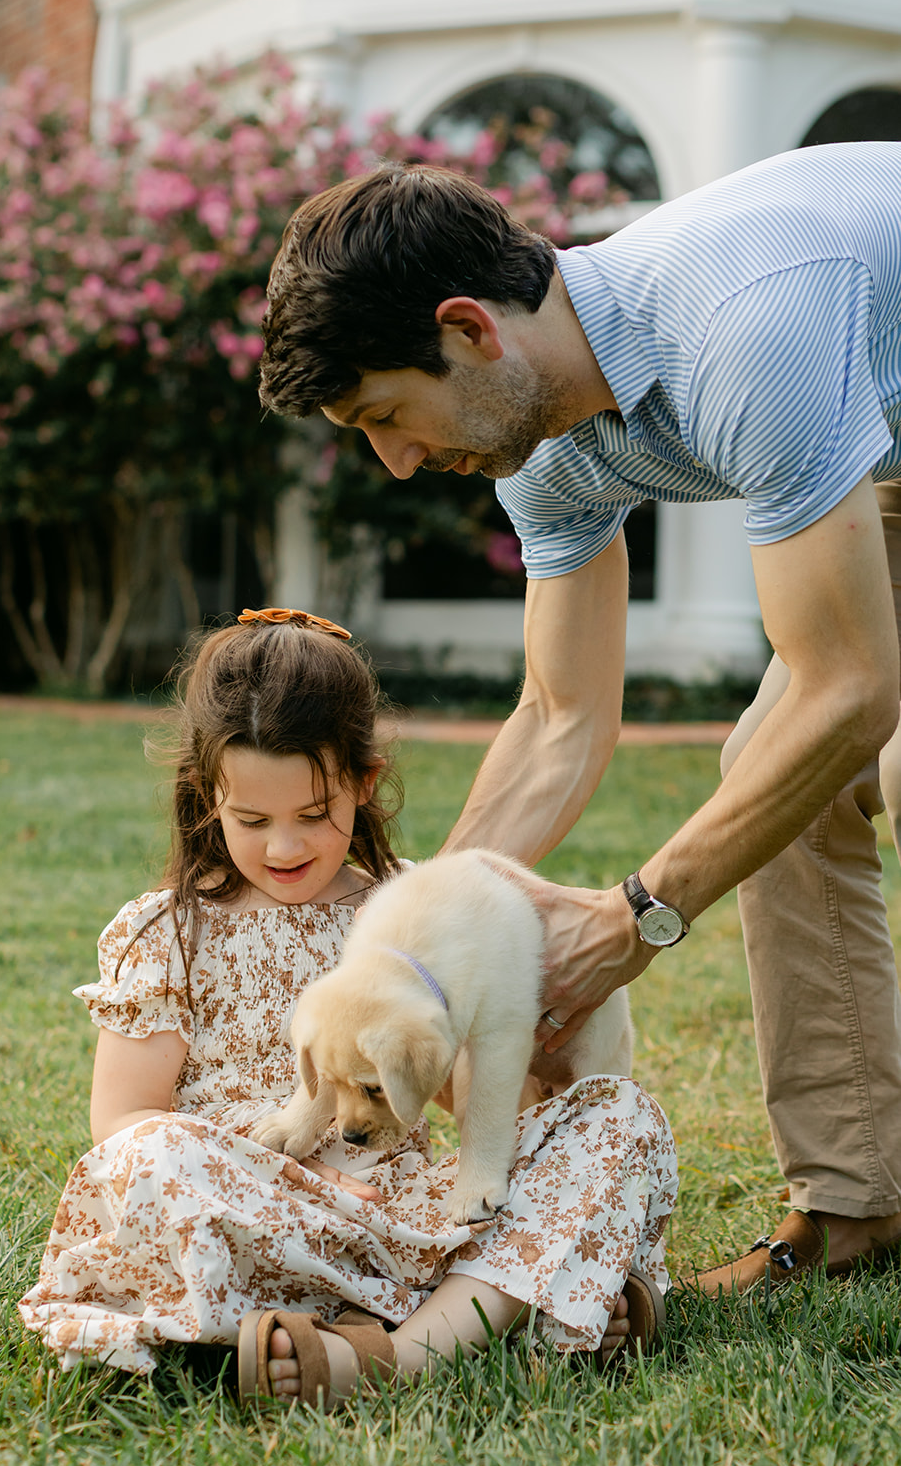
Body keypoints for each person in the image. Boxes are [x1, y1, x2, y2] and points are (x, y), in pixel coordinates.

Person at [258, 144, 901, 1293]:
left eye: (386, 415)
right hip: (885, 426)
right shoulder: (542, 449)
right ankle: (856, 1207)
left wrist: (632, 916)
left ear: (468, 330)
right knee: (775, 768)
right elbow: (561, 719)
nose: (397, 462)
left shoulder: (741, 335)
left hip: (844, 384)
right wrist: (412, 951)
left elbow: (852, 687)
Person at [17, 609, 677, 1405]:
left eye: (312, 816)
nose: (284, 848)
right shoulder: (166, 933)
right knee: (147, 1160)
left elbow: (463, 1086)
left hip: (399, 1219)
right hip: (246, 1212)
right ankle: (521, 1298)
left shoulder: (408, 912)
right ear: (207, 795)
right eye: (251, 821)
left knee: (617, 1116)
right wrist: (281, 1180)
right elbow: (121, 1120)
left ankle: (401, 1350)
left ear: (364, 783)